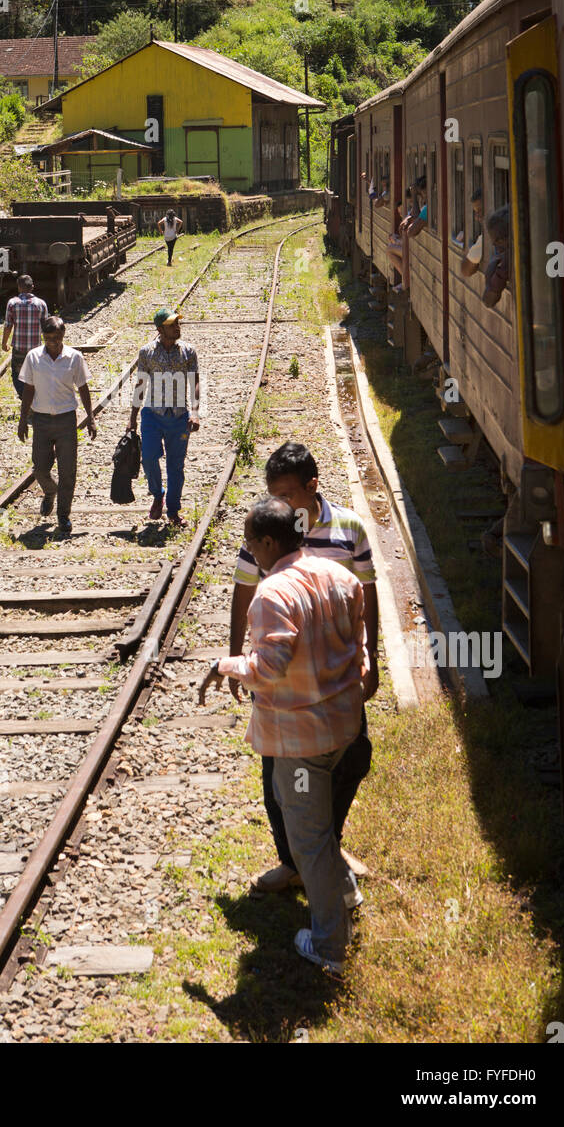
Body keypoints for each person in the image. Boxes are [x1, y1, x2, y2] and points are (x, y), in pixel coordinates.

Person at [200, 497, 368, 975]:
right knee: (316, 830)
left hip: (301, 745)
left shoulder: (273, 594)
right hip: (344, 728)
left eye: (251, 542)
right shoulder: (341, 577)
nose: (249, 551)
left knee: (307, 839)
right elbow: (359, 648)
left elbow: (269, 668)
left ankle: (330, 948)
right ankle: (346, 894)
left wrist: (224, 666)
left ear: (269, 543)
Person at [229, 442, 378, 894]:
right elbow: (243, 590)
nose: (281, 504)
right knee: (278, 772)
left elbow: (367, 600)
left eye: (289, 494)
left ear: (313, 486)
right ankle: (294, 860)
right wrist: (235, 652)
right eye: (274, 494)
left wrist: (374, 661)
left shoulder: (349, 529)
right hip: (281, 680)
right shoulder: (268, 531)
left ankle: (326, 845)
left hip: (337, 677)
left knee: (351, 757)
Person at [18, 315, 97, 534]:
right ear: (43, 336)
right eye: (50, 337)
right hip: (41, 420)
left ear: (63, 334)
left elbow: (83, 388)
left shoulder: (74, 357)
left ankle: (63, 515)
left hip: (66, 420)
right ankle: (50, 491)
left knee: (68, 470)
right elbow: (28, 389)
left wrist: (90, 417)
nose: (54, 341)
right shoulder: (33, 357)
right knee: (40, 469)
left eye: (58, 337)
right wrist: (23, 419)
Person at [127, 305, 200, 527]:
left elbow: (194, 381)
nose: (177, 327)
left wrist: (195, 412)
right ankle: (157, 494)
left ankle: (173, 511)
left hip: (179, 416)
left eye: (178, 323)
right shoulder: (147, 352)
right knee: (148, 458)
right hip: (152, 414)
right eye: (172, 325)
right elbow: (140, 384)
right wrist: (132, 417)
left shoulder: (188, 351)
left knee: (175, 466)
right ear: (160, 329)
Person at [2, 274, 48, 401]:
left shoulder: (12, 303)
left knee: (17, 374)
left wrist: (4, 343)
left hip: (19, 348)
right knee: (35, 375)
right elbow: (46, 328)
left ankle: (24, 398)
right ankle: (33, 398)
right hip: (36, 349)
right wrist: (48, 347)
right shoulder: (41, 304)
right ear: (32, 287)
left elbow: (8, 325)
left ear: (18, 287)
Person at [461, 189, 484, 278]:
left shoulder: (487, 238)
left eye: (480, 210)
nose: (477, 217)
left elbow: (465, 270)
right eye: (475, 212)